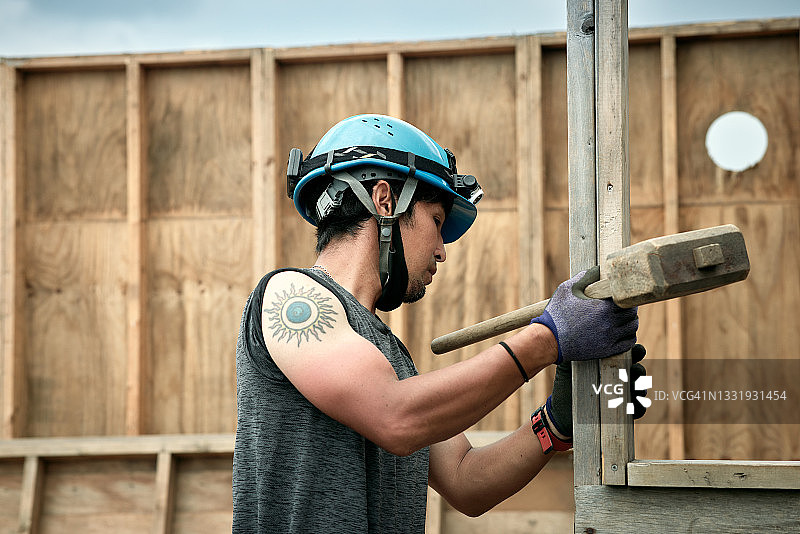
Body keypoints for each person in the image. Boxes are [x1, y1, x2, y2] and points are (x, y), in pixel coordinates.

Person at [232, 114, 645, 533]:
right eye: (436, 222)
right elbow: (395, 416)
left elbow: (467, 482)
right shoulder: (289, 295)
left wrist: (557, 423)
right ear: (385, 200)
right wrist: (547, 339)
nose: (441, 251)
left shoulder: (388, 355)